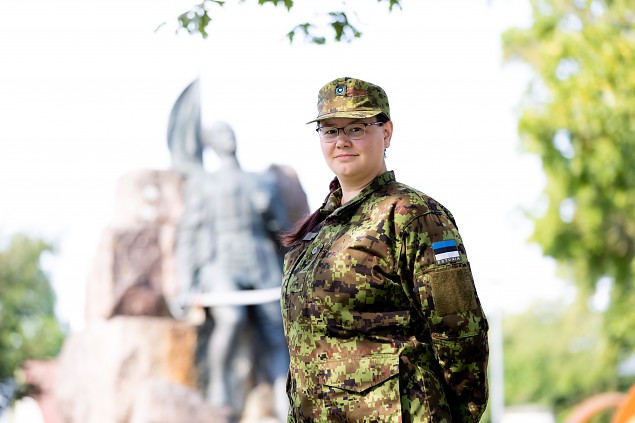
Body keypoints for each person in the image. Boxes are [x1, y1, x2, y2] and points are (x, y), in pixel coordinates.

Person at [280, 77, 489, 422]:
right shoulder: (318, 229)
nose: (342, 141)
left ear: (386, 132)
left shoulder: (412, 214)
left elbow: (460, 331)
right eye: (330, 131)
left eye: (357, 128)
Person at [176, 121, 290, 421]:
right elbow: (188, 234)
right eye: (218, 134)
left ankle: (286, 398)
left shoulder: (262, 182)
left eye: (229, 132)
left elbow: (282, 232)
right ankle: (218, 389)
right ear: (209, 144)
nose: (226, 137)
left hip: (259, 259)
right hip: (222, 263)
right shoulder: (203, 183)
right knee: (231, 318)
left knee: (278, 332)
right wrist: (185, 284)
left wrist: (269, 212)